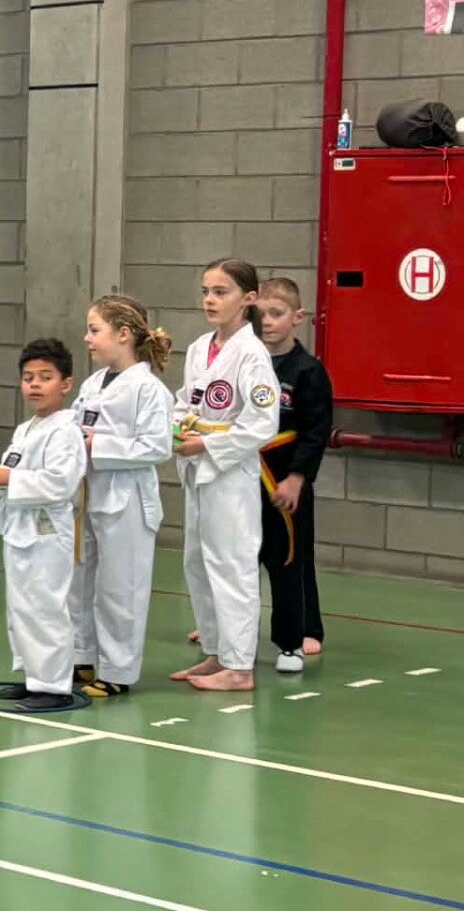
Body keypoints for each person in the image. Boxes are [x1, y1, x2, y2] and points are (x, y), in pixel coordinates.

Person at [0, 338, 88, 712]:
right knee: (21, 606)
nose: (34, 384)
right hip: (20, 528)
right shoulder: (26, 428)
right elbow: (11, 471)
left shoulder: (66, 432)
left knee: (46, 605)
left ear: (65, 384)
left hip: (49, 531)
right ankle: (35, 677)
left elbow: (61, 483)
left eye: (45, 377)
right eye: (28, 377)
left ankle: (54, 686)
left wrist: (9, 479)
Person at [170, 257, 280, 693]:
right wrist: (177, 426)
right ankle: (216, 652)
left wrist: (209, 444)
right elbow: (185, 400)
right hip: (197, 466)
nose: (210, 300)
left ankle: (239, 666)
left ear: (248, 299)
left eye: (221, 292)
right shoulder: (200, 347)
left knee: (232, 565)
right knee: (197, 561)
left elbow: (261, 423)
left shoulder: (252, 356)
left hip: (229, 472)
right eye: (206, 292)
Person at [69, 295, 176, 698]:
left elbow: (157, 447)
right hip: (88, 494)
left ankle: (118, 671)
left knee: (120, 587)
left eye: (95, 330)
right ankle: (81, 654)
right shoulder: (94, 383)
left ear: (124, 334)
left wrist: (99, 442)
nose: (88, 338)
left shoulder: (149, 389)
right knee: (81, 580)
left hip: (127, 500)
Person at [257, 277, 332, 673]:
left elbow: (316, 431)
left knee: (291, 555)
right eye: (261, 314)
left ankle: (307, 628)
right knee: (244, 554)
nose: (267, 322)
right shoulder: (248, 363)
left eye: (276, 314)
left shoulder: (308, 371)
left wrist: (298, 478)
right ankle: (232, 625)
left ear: (297, 317)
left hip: (286, 477)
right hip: (247, 474)